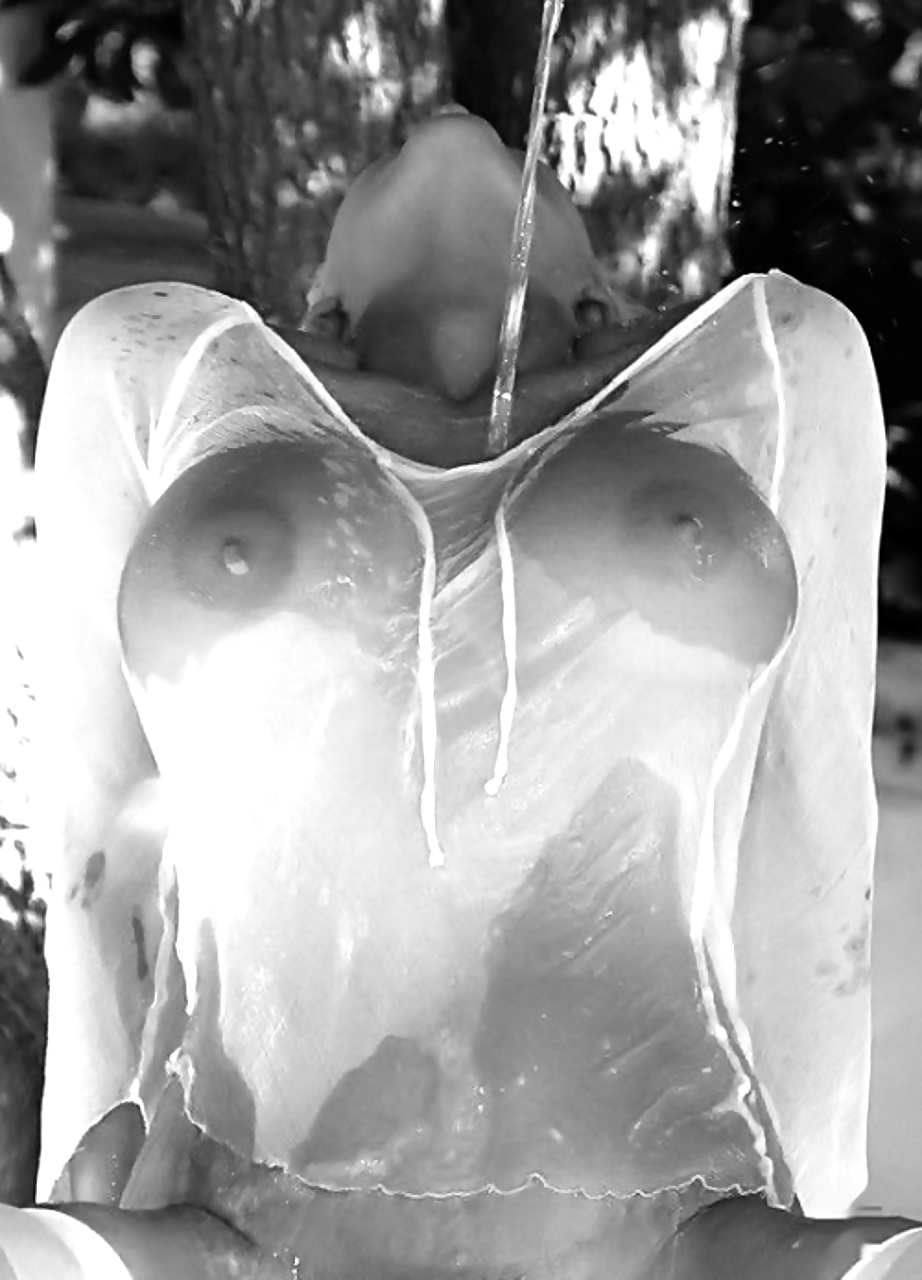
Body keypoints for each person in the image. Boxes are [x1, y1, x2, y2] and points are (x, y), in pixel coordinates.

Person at [10, 112, 919, 1279]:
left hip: (669, 1232)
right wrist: (74, 1185)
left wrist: (820, 1209)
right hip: (222, 1219)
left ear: (598, 300)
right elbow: (98, 839)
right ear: (322, 307)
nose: (448, 118)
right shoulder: (158, 360)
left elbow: (814, 845)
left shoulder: (774, 362)